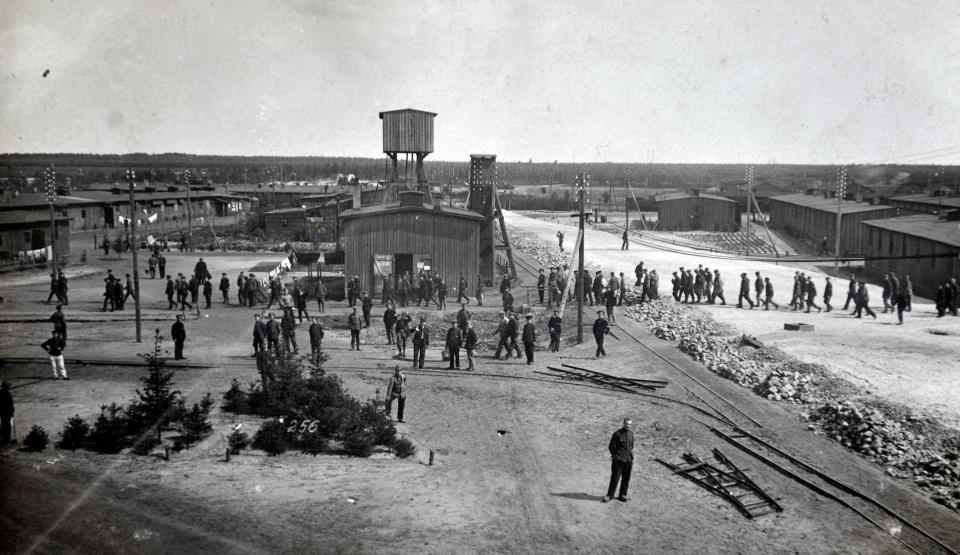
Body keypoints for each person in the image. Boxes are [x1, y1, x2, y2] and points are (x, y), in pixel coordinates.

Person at [604, 418, 635, 503]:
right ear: (623, 423)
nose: (628, 425)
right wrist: (615, 455)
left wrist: (629, 456)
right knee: (615, 478)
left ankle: (622, 495)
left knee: (626, 479)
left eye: (629, 424)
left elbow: (631, 446)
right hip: (618, 461)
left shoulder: (631, 434)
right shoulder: (617, 434)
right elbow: (611, 446)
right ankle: (610, 495)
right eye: (626, 424)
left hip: (628, 460)